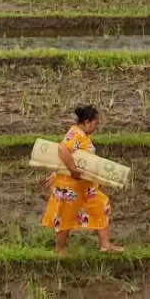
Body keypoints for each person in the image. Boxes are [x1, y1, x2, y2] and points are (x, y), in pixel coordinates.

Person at [41, 104, 123, 254]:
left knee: (101, 206)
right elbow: (62, 149)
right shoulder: (75, 133)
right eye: (95, 123)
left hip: (85, 187)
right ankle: (60, 249)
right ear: (87, 122)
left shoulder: (83, 136)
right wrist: (73, 169)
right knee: (66, 216)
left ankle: (105, 245)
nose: (96, 127)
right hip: (70, 186)